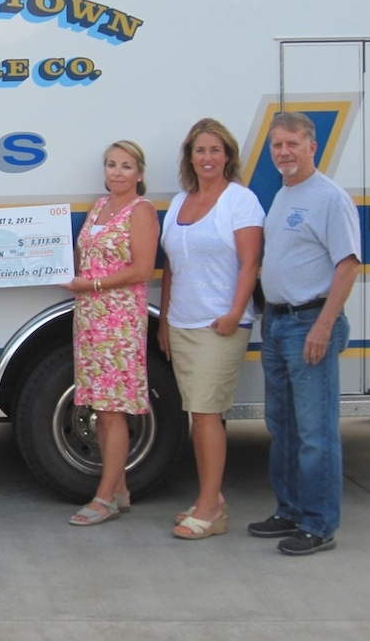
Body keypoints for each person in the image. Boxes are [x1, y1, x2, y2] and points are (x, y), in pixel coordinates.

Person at [248, 112, 359, 556]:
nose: (284, 152)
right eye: (277, 145)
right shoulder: (284, 194)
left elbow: (347, 265)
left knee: (315, 433)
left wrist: (323, 326)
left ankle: (318, 525)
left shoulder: (330, 198)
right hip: (278, 323)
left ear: (312, 146)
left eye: (292, 143)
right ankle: (290, 510)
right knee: (283, 426)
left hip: (309, 324)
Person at [158, 119, 263, 540]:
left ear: (228, 156)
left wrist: (235, 313)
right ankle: (210, 498)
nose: (207, 158)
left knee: (205, 414)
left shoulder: (240, 200)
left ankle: (210, 509)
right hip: (182, 323)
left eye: (215, 150)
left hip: (220, 326)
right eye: (200, 150)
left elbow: (250, 263)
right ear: (190, 157)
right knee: (198, 415)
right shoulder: (179, 202)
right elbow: (171, 267)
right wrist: (165, 319)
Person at [61, 140, 159, 526]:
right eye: (112, 164)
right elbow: (82, 256)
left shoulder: (142, 210)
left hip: (119, 322)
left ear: (140, 173)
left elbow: (143, 269)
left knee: (112, 410)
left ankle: (103, 499)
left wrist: (93, 286)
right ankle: (119, 491)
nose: (117, 172)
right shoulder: (100, 207)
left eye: (126, 166)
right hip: (89, 320)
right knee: (99, 408)